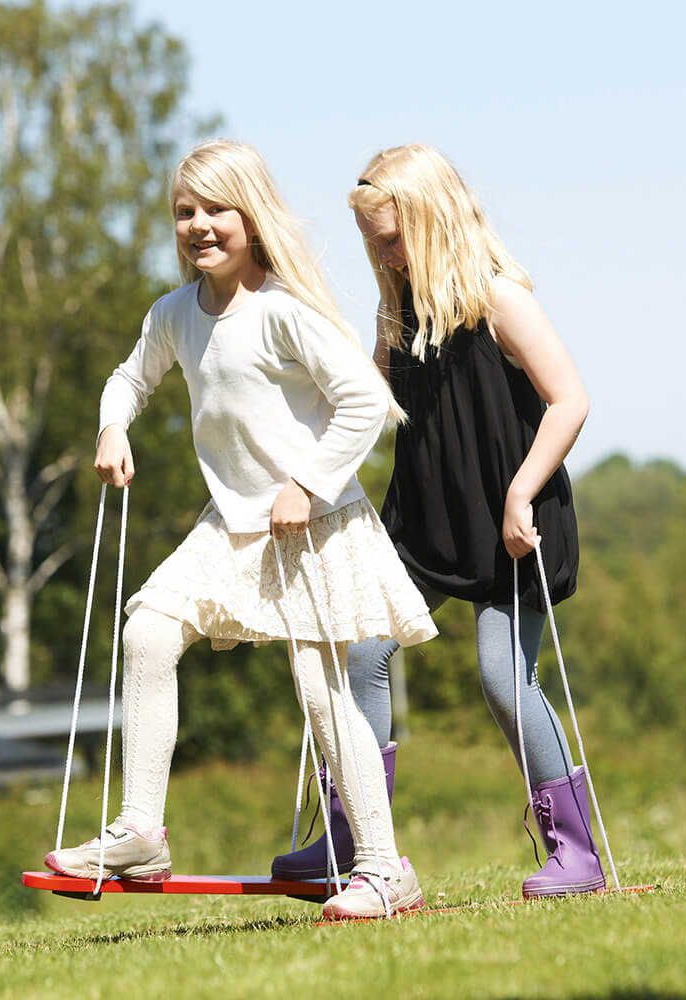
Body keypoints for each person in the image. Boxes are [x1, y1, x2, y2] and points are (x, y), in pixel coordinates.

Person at [44, 140, 438, 920]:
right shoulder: (173, 314)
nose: (199, 225)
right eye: (184, 212)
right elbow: (129, 378)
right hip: (229, 527)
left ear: (251, 218)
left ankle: (387, 871)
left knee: (324, 695)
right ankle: (141, 833)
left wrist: (307, 481)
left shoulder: (283, 312)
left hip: (313, 525)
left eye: (216, 209)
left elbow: (368, 399)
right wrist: (112, 426)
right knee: (148, 633)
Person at [272, 144, 604, 898]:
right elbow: (366, 401)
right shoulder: (397, 308)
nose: (381, 253)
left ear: (430, 219)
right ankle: (356, 841)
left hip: (511, 513)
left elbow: (570, 398)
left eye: (391, 237)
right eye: (371, 242)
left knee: (501, 676)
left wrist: (522, 493)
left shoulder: (499, 296)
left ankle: (576, 852)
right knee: (362, 655)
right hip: (424, 521)